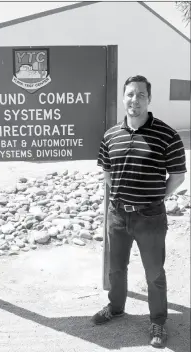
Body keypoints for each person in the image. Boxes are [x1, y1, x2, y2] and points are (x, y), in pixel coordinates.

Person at [93, 75, 186, 348]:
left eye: (141, 95)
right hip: (118, 215)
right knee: (116, 268)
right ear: (124, 98)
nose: (135, 100)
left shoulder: (167, 135)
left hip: (151, 217)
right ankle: (116, 308)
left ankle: (157, 320)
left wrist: (157, 196)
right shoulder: (111, 135)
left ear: (149, 99)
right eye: (131, 94)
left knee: (154, 272)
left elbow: (178, 176)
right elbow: (107, 172)